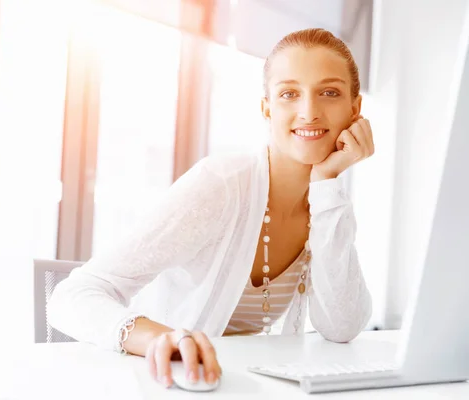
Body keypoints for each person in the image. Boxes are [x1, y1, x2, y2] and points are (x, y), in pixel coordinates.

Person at [48, 27, 374, 389]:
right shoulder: (221, 185)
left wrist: (327, 182)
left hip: (238, 386)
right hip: (165, 384)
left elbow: (342, 326)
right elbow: (71, 295)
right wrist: (163, 339)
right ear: (267, 108)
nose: (309, 111)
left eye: (329, 93)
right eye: (289, 94)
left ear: (355, 109)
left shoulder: (327, 202)